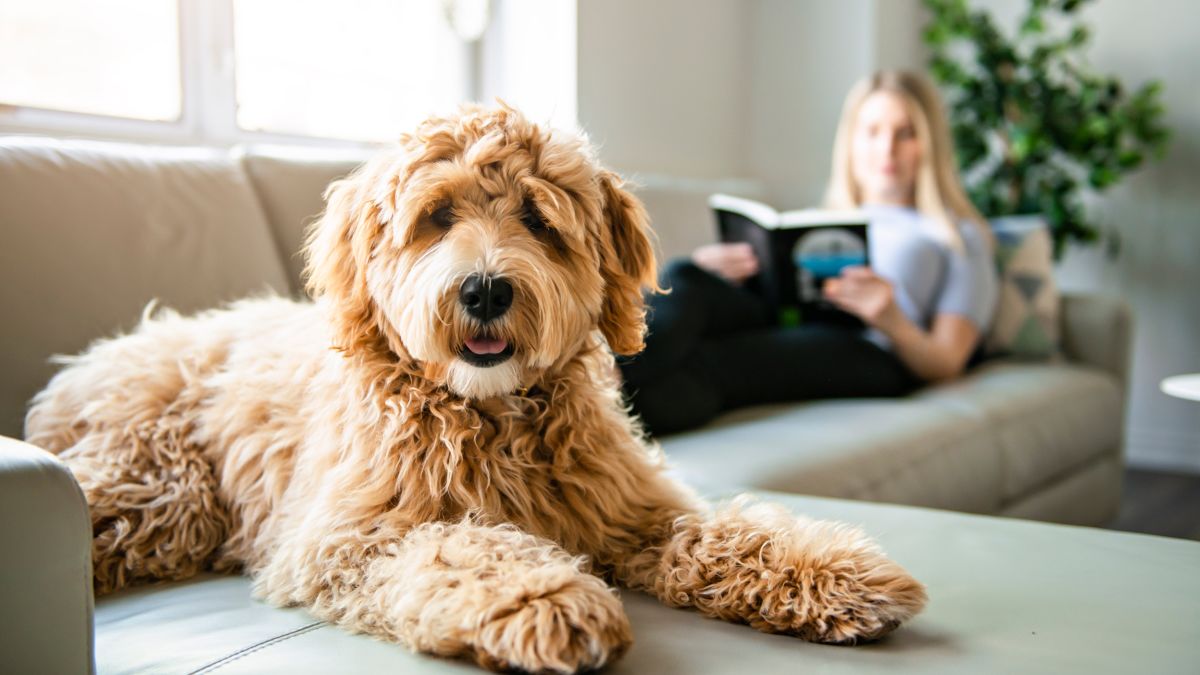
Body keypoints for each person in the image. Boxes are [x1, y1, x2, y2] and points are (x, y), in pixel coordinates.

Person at [619, 70, 998, 435]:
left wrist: (891, 319)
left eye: (906, 133)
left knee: (719, 362)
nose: (887, 149)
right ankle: (603, 377)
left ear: (930, 145)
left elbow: (948, 361)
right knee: (687, 276)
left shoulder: (958, 235)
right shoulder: (827, 218)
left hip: (871, 349)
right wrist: (727, 273)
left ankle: (593, 407)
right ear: (851, 142)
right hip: (788, 318)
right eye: (872, 132)